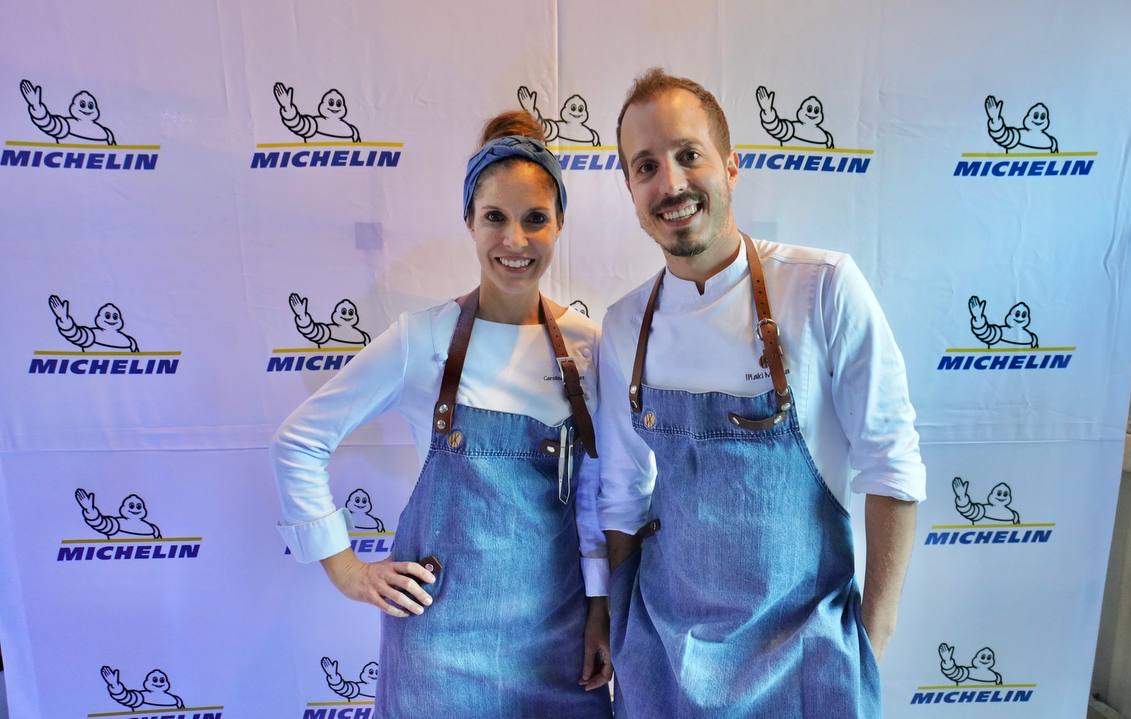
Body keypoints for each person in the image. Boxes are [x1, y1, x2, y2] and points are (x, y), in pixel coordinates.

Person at [598, 69, 927, 717]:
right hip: (663, 668)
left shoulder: (821, 288)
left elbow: (892, 464)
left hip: (804, 667)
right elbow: (621, 495)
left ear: (731, 166)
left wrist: (868, 643)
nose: (671, 183)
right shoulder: (624, 326)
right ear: (631, 190)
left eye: (689, 154)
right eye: (646, 166)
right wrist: (621, 632)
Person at [271, 110, 612, 717]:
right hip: (439, 655)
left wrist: (600, 608)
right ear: (469, 221)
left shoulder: (588, 347)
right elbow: (298, 442)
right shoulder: (422, 340)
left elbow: (594, 498)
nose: (515, 241)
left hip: (558, 648)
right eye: (495, 217)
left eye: (535, 219)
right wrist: (346, 569)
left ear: (559, 223)